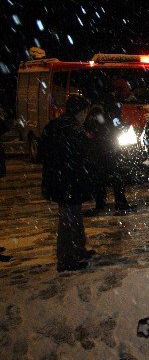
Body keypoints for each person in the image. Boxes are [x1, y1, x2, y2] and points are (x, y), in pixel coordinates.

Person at [41, 95, 96, 272]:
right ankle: (67, 259)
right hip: (69, 182)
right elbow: (83, 157)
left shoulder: (55, 125)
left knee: (72, 218)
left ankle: (78, 251)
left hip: (59, 180)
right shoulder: (73, 130)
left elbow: (44, 153)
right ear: (81, 111)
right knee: (69, 220)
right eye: (85, 111)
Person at [84, 105, 135, 215]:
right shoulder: (105, 121)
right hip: (109, 153)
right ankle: (121, 204)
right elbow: (114, 131)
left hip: (98, 155)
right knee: (116, 179)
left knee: (100, 180)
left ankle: (100, 204)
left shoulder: (89, 122)